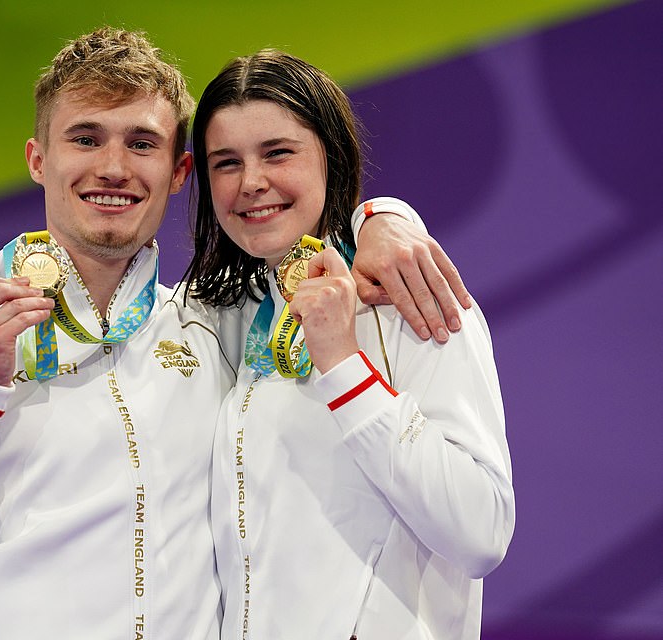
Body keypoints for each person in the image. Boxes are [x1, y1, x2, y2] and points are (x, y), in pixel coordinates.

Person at [0, 28, 475, 638]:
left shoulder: (218, 327)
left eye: (141, 143)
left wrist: (380, 217)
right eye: (85, 139)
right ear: (38, 159)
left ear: (178, 172)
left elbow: (308, 228)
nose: (114, 168)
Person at [183, 50, 515, 638]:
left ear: (330, 159)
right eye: (225, 163)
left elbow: (481, 530)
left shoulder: (411, 299)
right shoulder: (218, 320)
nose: (251, 182)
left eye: (278, 152)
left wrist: (343, 364)